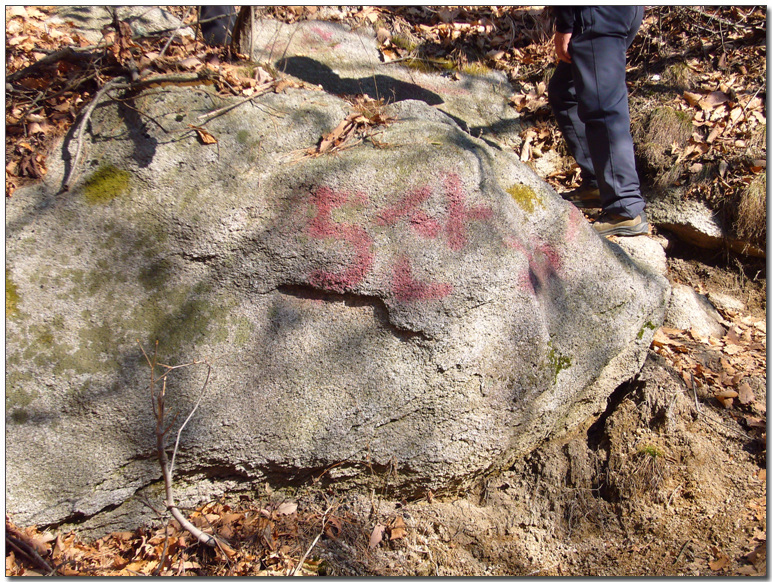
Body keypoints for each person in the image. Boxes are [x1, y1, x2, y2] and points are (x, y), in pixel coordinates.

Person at [547, 7, 648, 237]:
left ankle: (624, 207)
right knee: (565, 91)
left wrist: (565, 25)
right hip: (620, 12)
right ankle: (598, 183)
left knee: (604, 104)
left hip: (597, 13)